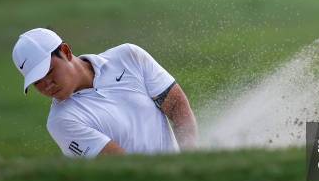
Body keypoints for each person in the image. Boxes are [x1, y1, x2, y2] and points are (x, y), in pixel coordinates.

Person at [12, 28, 197, 158]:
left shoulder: (128, 56)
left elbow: (177, 107)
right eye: (36, 82)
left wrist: (188, 161)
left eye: (49, 72)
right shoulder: (62, 121)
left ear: (66, 52)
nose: (46, 86)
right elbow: (122, 166)